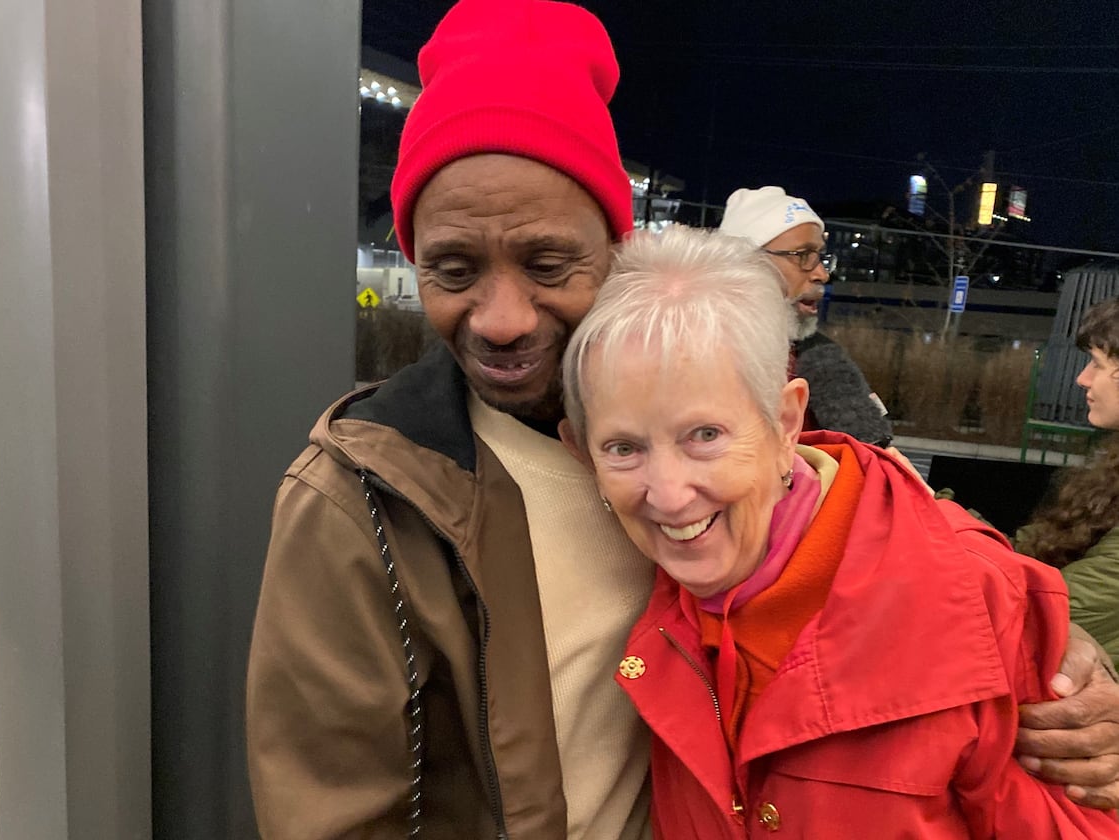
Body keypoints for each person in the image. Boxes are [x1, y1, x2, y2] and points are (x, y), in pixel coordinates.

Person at [245, 1, 1119, 836]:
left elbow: (864, 518)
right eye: (453, 269)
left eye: (548, 263)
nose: (501, 317)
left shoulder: (714, 440)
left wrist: (1037, 640)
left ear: (617, 252)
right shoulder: (361, 502)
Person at [558, 226, 1119, 837]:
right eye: (623, 447)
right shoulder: (642, 594)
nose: (667, 494)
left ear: (786, 421)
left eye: (705, 435)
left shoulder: (973, 600)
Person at [719, 186, 893, 447]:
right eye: (803, 255)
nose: (821, 274)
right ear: (745, 263)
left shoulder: (821, 358)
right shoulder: (685, 357)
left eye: (820, 256)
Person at [1018, 298, 1119, 668]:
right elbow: (1019, 556)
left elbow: (1043, 611)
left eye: (1097, 363)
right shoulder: (1108, 471)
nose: (1083, 378)